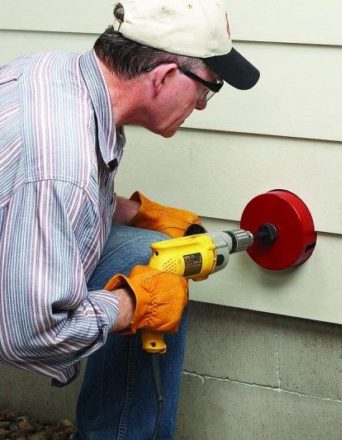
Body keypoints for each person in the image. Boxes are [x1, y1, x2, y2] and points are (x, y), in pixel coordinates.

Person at [0, 0, 259, 438]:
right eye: (207, 88)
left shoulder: (59, 74)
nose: (202, 106)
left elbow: (27, 198)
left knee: (150, 257)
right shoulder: (62, 163)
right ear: (162, 76)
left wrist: (137, 214)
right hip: (21, 315)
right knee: (153, 281)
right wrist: (134, 304)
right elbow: (28, 333)